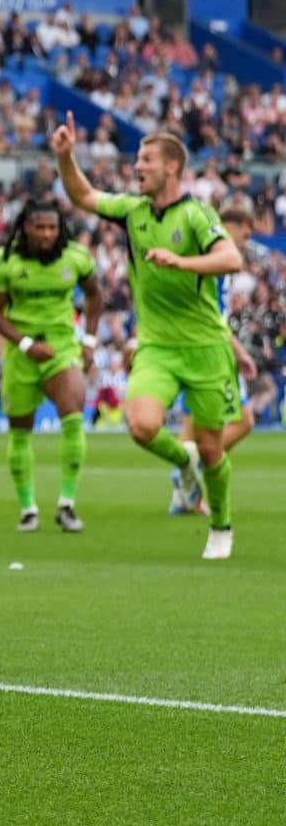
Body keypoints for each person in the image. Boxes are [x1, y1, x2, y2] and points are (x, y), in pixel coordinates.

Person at [51, 114, 245, 560]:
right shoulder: (133, 210)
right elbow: (82, 194)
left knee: (215, 448)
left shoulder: (196, 214)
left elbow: (231, 257)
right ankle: (184, 460)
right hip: (157, 345)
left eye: (146, 160)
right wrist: (65, 157)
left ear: (172, 167)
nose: (138, 167)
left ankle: (221, 526)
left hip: (206, 349)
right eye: (138, 160)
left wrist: (182, 263)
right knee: (141, 426)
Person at [0, 199, 104, 533]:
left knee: (74, 413)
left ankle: (67, 503)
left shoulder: (76, 257)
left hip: (61, 349)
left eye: (53, 227)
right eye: (40, 227)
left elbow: (95, 297)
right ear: (26, 227)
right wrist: (24, 344)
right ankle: (28, 508)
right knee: (20, 432)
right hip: (22, 353)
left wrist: (90, 341)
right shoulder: (4, 261)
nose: (47, 233)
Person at [173, 196, 267, 511]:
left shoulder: (214, 264)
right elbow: (212, 318)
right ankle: (193, 466)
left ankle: (185, 497)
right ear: (227, 227)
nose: (246, 240)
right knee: (244, 420)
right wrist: (237, 351)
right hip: (209, 349)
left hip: (190, 347)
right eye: (245, 232)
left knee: (190, 426)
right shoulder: (216, 265)